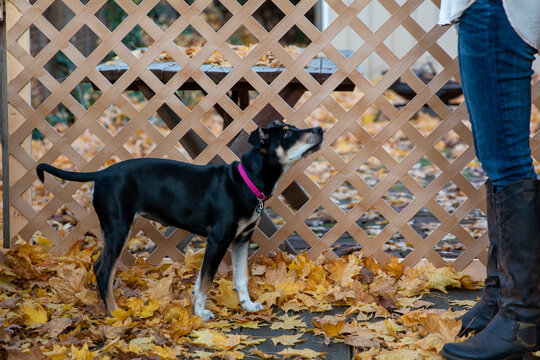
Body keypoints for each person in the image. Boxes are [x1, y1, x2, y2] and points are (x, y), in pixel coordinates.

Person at [437, 1, 540, 359]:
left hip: (497, 8)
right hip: (493, 10)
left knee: (507, 161)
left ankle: (521, 319)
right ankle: (500, 297)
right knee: (497, 160)